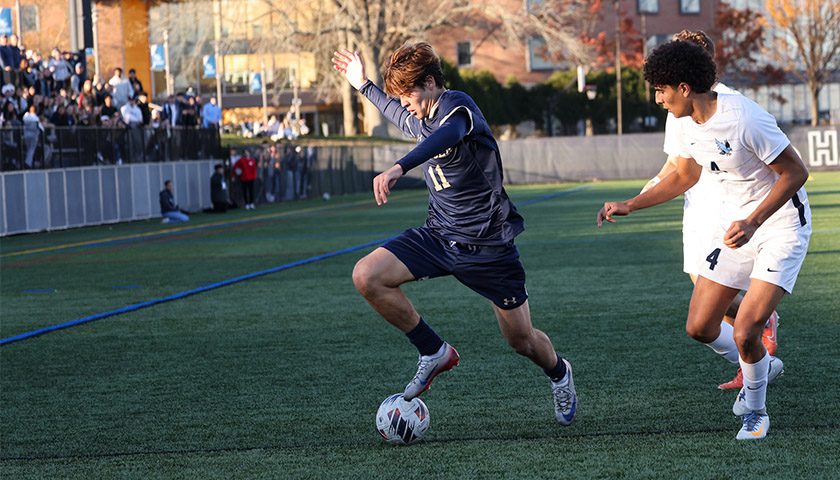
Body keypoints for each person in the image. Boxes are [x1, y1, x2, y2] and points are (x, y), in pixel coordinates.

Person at [332, 43, 578, 426]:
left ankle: (560, 373)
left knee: (522, 341)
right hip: (438, 236)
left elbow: (447, 135)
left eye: (410, 94)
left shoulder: (456, 107)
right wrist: (362, 84)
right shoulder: (421, 112)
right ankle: (433, 351)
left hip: (488, 247)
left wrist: (399, 167)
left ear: (430, 83)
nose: (407, 104)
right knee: (367, 276)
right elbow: (398, 114)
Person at [597, 40, 810, 440]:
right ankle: (761, 366)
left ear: (682, 87)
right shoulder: (682, 121)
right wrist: (632, 204)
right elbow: (684, 175)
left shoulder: (744, 117)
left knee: (746, 330)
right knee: (699, 326)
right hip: (734, 225)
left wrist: (753, 221)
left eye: (660, 91)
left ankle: (756, 411)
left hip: (779, 224)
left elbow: (795, 173)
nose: (657, 100)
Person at [640, 30, 779, 390]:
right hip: (694, 203)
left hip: (721, 203)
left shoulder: (731, 107)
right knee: (697, 287)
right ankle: (756, 359)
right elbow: (677, 161)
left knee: (713, 296)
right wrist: (652, 185)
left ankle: (757, 341)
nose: (660, 94)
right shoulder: (675, 102)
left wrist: (751, 218)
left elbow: (787, 170)